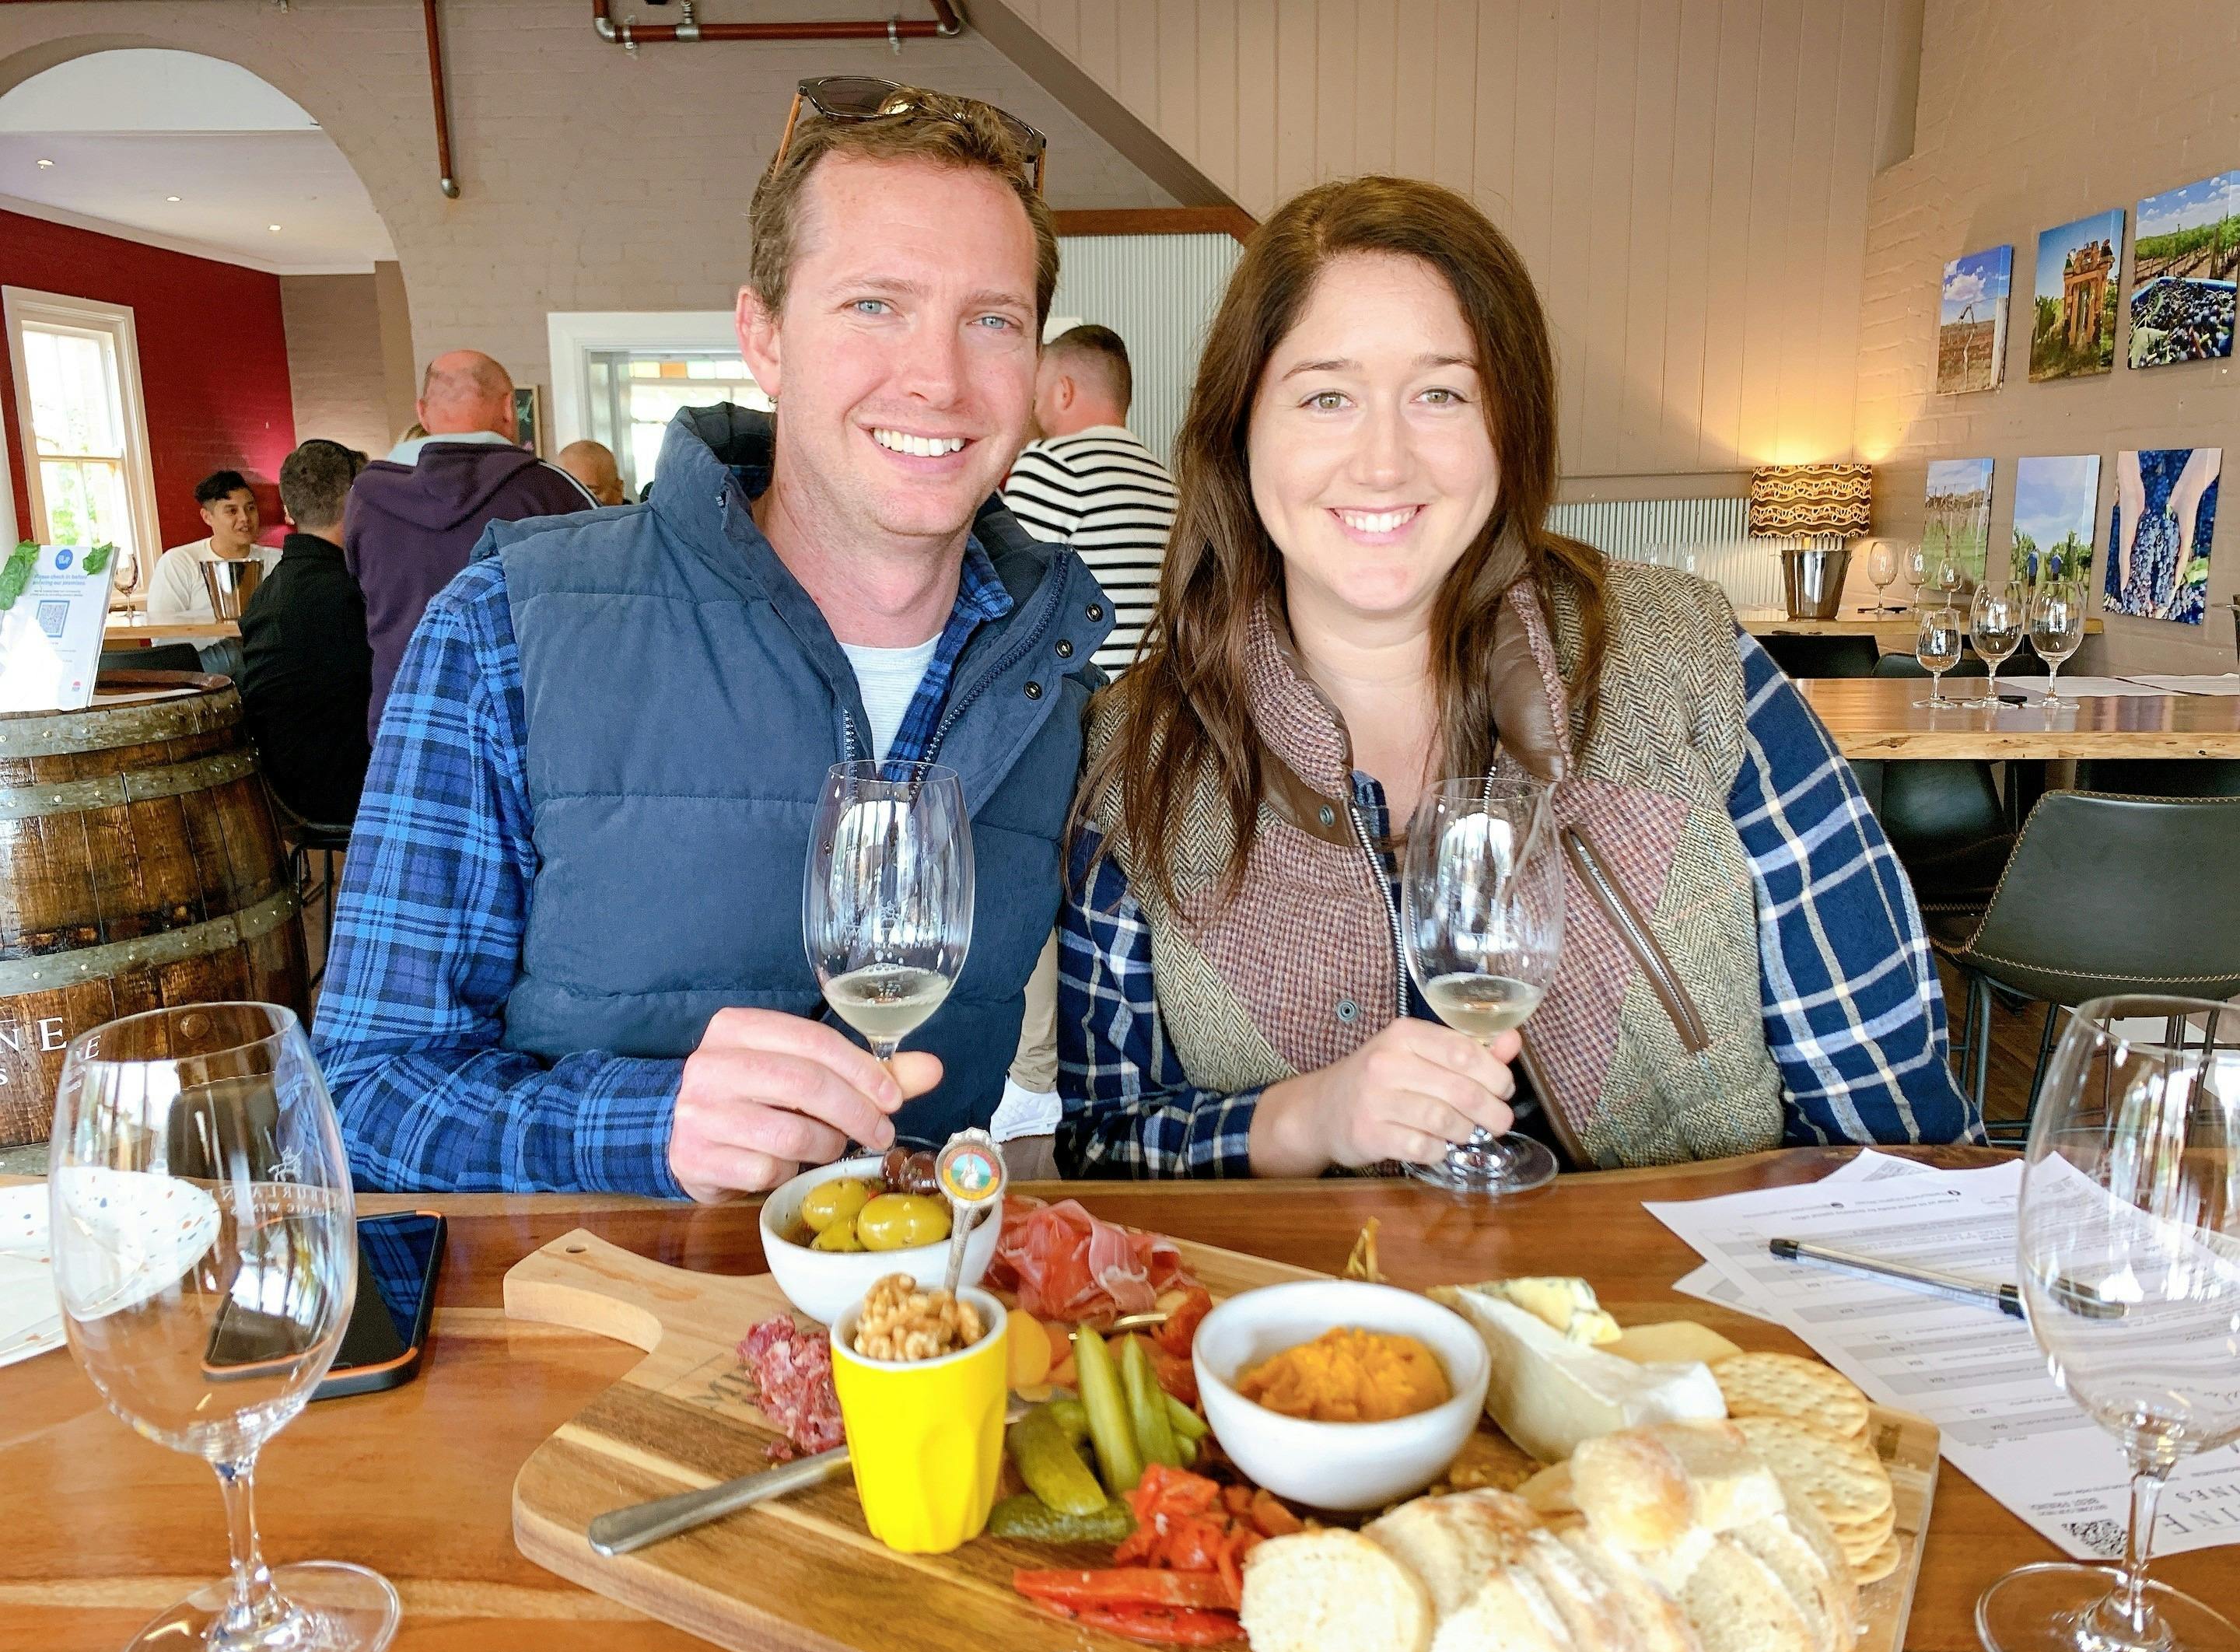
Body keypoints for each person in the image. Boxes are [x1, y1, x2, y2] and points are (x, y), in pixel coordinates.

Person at [1059, 177, 1977, 1179]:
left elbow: (1901, 1140)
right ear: (1239, 430)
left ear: (1511, 425)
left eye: (1441, 394)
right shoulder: (1133, 754)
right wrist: (1301, 1122)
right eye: (1326, 396)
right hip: (1326, 1327)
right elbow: (1104, 1144)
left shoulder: (1682, 659)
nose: (1382, 461)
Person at [313, 78, 1108, 1202]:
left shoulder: (1057, 685)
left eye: (992, 319)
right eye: (874, 305)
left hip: (915, 1352)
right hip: (593, 1345)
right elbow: (356, 1095)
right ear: (764, 337)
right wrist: (647, 1124)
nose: (937, 376)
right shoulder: (505, 632)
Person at [344, 350, 593, 737]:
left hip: (403, 720)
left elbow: (362, 604)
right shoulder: (555, 492)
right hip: (528, 725)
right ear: (510, 409)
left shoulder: (365, 502)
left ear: (423, 414)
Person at [1003, 325, 1175, 677]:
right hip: (1153, 709)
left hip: (1084, 713)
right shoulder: (1167, 484)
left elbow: (1007, 607)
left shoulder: (1052, 464)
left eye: (1035, 397)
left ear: (1063, 392)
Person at [237, 440, 374, 828]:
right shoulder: (351, 595)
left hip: (280, 792)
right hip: (346, 790)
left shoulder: (267, 592)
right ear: (354, 503)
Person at [144, 470, 278, 660]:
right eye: (232, 511)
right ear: (207, 517)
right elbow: (161, 636)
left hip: (264, 662)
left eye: (250, 508)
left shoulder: (278, 560)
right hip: (201, 666)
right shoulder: (179, 562)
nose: (245, 518)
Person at [556, 439, 629, 506]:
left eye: (587, 493)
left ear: (618, 490)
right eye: (564, 495)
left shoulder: (636, 520)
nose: (571, 504)